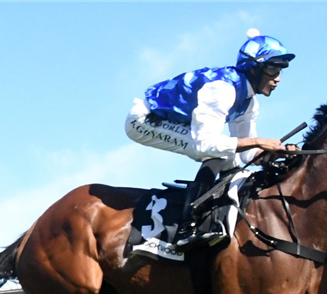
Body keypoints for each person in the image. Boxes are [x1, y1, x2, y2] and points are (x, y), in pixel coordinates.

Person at [125, 30, 296, 250]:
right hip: (146, 120)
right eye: (273, 69)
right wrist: (259, 142)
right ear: (253, 69)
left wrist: (276, 152)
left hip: (176, 121)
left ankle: (213, 219)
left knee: (232, 160)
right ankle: (187, 227)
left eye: (280, 70)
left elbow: (246, 154)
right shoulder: (222, 89)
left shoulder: (249, 102)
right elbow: (206, 145)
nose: (278, 78)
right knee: (218, 153)